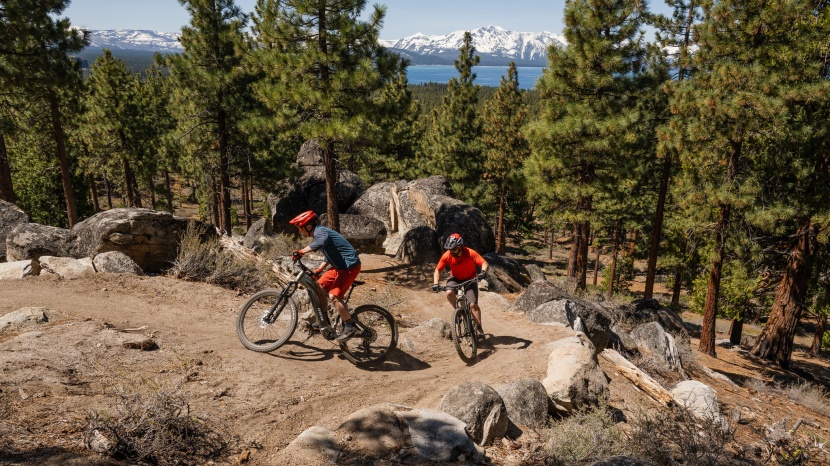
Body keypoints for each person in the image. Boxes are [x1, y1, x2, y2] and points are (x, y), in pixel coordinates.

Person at [289, 210, 361, 341]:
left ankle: (351, 325)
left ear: (308, 227)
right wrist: (319, 269)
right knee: (318, 287)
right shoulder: (319, 233)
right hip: (339, 267)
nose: (300, 231)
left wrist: (301, 251)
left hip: (349, 267)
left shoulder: (320, 232)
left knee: (333, 295)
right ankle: (324, 321)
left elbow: (321, 242)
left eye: (300, 228)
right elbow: (329, 255)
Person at [432, 233, 489, 334]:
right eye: (449, 249)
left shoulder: (469, 252)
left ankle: (479, 327)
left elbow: (484, 263)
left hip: (470, 278)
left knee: (472, 305)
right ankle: (458, 311)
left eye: (453, 249)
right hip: (455, 277)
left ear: (460, 246)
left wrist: (483, 272)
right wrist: (436, 283)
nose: (451, 252)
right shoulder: (447, 255)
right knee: (449, 292)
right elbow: (437, 270)